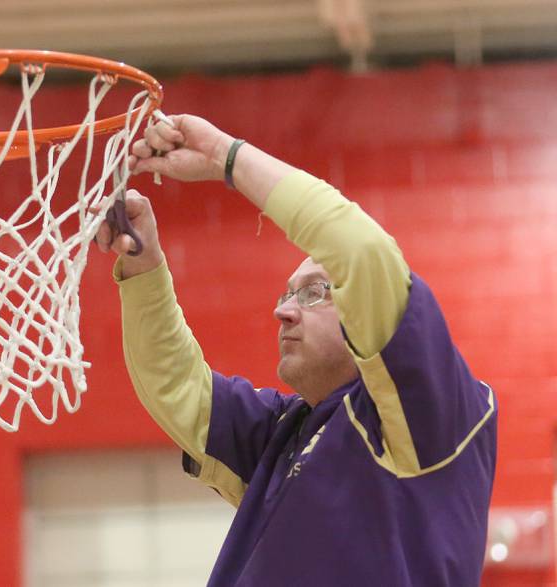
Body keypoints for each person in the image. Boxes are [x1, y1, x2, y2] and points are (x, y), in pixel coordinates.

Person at [94, 114, 497, 586]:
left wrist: (228, 158)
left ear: (367, 308)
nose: (283, 313)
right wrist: (144, 263)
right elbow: (176, 384)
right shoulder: (285, 433)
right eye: (287, 295)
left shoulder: (435, 410)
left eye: (315, 292)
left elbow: (362, 251)